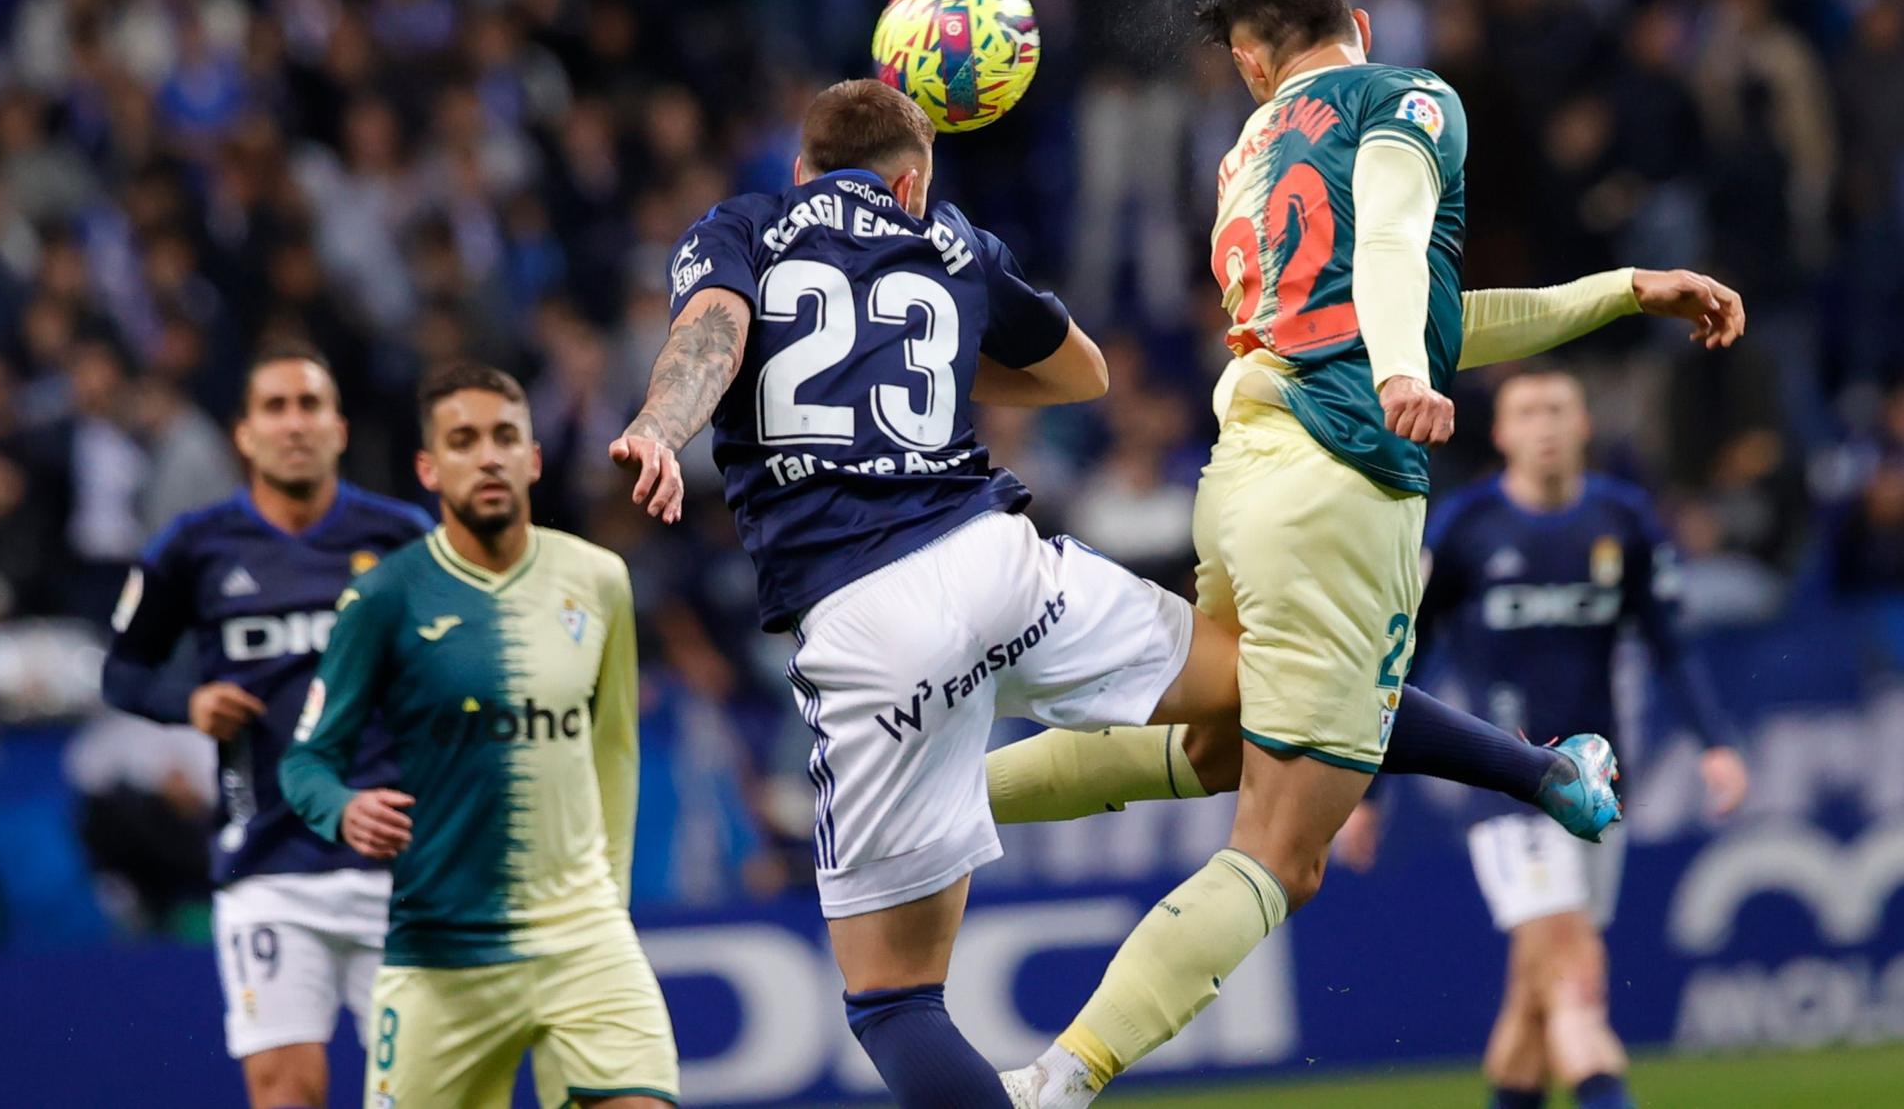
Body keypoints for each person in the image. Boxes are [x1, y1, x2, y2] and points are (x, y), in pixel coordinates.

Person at [607, 78, 1631, 1108]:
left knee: (894, 1001)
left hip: (868, 615)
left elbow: (713, 331)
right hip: (998, 562)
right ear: (911, 180)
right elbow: (1082, 374)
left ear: (800, 167)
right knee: (1280, 681)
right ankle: (1540, 773)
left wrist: (661, 426)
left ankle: (1027, 1028)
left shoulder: (740, 223)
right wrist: (942, 356)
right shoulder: (951, 238)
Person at [990, 0, 1747, 1106]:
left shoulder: (1253, 143)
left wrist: (1616, 293)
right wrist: (1400, 372)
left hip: (1242, 469)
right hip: (1340, 481)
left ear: (1252, 60)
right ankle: (1058, 1077)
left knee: (1212, 740)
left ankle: (945, 789)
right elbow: (1394, 251)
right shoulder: (1404, 95)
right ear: (1350, 23)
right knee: (1280, 856)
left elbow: (1427, 311)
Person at [1337, 368, 1749, 1109]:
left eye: (1559, 409)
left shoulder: (1625, 521)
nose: (1546, 426)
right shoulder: (1465, 529)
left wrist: (1714, 742)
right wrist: (1369, 790)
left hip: (1599, 790)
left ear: (1585, 423)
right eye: (1528, 413)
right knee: (1575, 989)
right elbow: (1403, 663)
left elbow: (1669, 645)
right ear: (1501, 433)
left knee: (1533, 998)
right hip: (1509, 790)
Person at [281, 363, 676, 1109]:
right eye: (463, 441)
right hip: (443, 955)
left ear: (533, 458)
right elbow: (308, 761)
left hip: (584, 939)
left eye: (504, 438)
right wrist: (344, 809)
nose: (488, 456)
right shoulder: (383, 598)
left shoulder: (599, 581)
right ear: (429, 468)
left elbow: (615, 750)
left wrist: (609, 903)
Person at [102, 345, 432, 1109]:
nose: (294, 424)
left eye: (310, 406)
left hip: (396, 860)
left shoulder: (400, 537)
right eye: (275, 408)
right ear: (243, 435)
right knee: (286, 1092)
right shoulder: (194, 547)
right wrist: (189, 705)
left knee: (419, 1093)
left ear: (339, 429)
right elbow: (121, 671)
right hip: (268, 861)